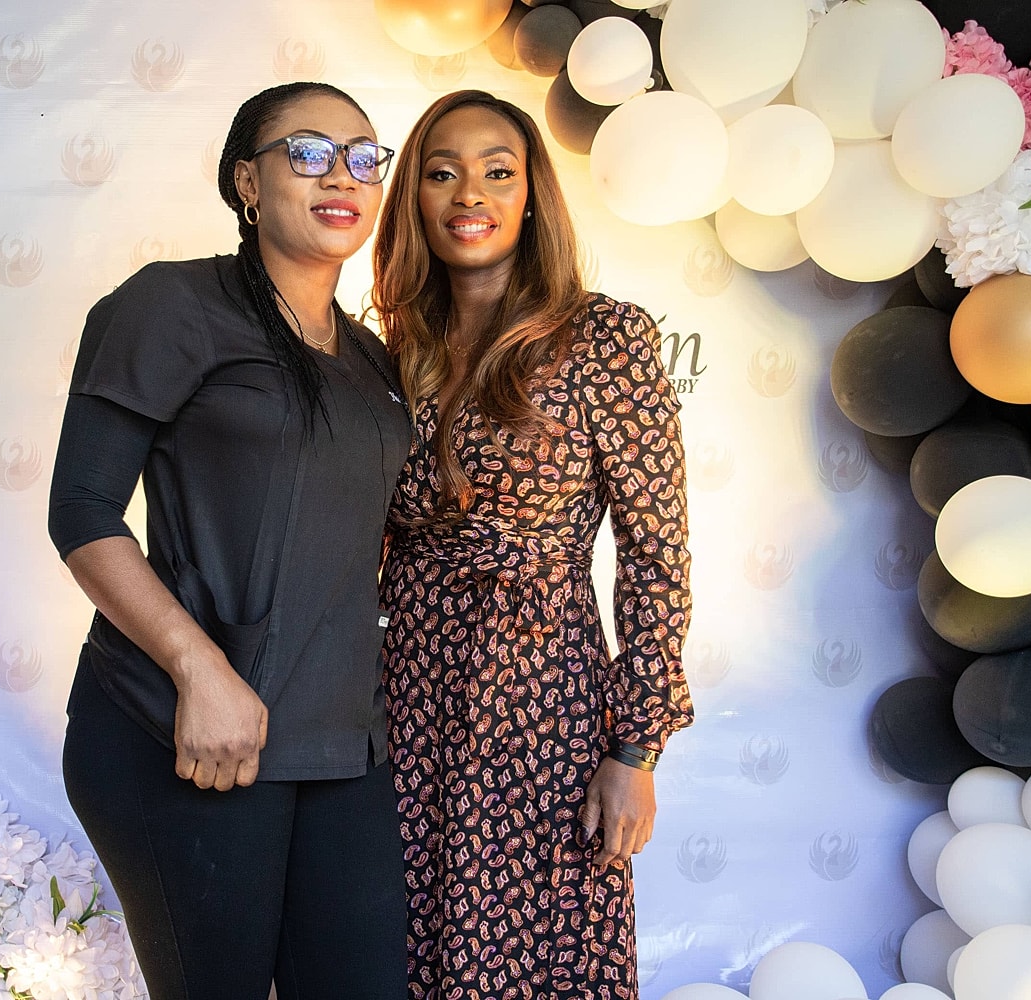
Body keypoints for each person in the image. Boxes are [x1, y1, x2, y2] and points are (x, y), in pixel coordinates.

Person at [48, 81, 412, 1000]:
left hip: (341, 746)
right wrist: (200, 671)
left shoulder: (371, 361)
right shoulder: (174, 304)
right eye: (309, 152)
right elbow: (83, 509)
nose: (344, 175)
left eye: (365, 156)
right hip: (187, 733)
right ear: (248, 181)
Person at [372, 89, 694, 999]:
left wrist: (634, 751)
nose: (468, 193)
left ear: (530, 195)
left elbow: (656, 556)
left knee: (544, 950)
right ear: (415, 200)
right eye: (441, 172)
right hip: (409, 694)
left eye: (497, 171)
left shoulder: (605, 338)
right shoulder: (392, 351)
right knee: (411, 943)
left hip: (543, 689)